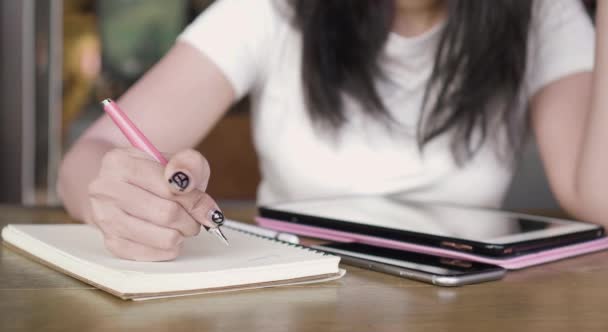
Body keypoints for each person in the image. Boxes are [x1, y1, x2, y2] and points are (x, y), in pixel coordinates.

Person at [58, 0, 603, 261]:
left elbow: (596, 198)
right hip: (292, 303)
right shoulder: (272, 10)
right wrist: (117, 198)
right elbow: (94, 151)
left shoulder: (540, 15)